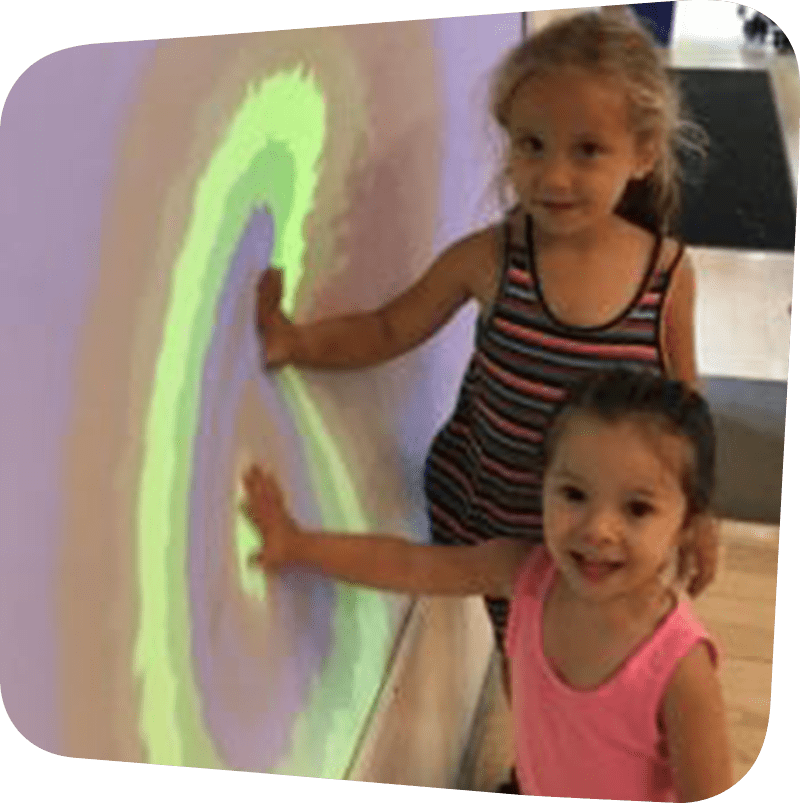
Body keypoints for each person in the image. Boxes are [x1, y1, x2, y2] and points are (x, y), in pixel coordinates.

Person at [255, 7, 717, 790]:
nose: (553, 174)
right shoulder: (492, 257)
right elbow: (389, 325)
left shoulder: (667, 276)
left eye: (586, 149)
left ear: (642, 153)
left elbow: (684, 399)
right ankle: (544, 764)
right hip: (498, 508)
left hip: (603, 518)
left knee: (593, 659)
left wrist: (699, 512)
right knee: (527, 654)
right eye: (530, 145)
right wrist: (298, 343)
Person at [242, 368, 732, 803]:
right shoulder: (524, 573)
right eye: (574, 494)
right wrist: (297, 543)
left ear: (688, 524)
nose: (597, 529)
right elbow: (412, 566)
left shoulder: (682, 673)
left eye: (637, 508)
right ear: (543, 486)